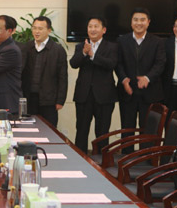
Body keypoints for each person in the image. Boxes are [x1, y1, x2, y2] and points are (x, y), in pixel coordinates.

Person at [116, 8, 165, 149]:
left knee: (148, 130)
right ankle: (126, 157)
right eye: (135, 20)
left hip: (150, 92)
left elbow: (160, 63)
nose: (139, 23)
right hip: (128, 92)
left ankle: (147, 159)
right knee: (127, 130)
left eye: (142, 20)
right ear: (131, 23)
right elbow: (118, 63)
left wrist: (148, 78)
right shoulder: (121, 40)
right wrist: (123, 79)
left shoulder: (158, 41)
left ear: (148, 22)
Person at [69, 17, 117, 153]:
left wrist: (93, 55)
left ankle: (102, 161)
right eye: (90, 26)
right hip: (83, 95)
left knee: (102, 132)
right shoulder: (81, 46)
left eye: (96, 26)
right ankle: (80, 159)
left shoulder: (112, 46)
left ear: (104, 30)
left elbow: (111, 64)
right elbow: (73, 64)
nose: (92, 29)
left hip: (104, 96)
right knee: (81, 130)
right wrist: (84, 53)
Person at [21, 16, 67, 127]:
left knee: (49, 130)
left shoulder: (57, 50)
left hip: (49, 100)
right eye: (34, 28)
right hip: (29, 98)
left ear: (49, 30)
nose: (36, 31)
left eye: (40, 29)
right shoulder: (27, 47)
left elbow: (62, 77)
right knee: (28, 129)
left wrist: (60, 100)